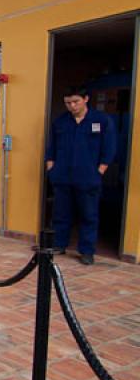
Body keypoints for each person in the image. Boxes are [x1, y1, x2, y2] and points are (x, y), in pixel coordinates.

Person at [45, 86, 116, 265]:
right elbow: (51, 148)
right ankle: (59, 244)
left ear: (86, 99)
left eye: (75, 101)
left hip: (88, 177)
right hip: (62, 176)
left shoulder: (100, 121)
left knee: (88, 215)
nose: (72, 106)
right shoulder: (60, 122)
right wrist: (51, 168)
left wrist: (99, 170)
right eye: (68, 102)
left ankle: (86, 251)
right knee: (61, 213)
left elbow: (109, 148)